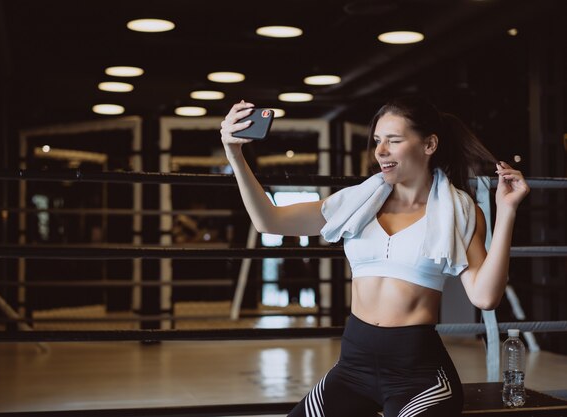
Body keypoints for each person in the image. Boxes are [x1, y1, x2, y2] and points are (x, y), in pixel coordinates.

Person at [220, 96, 529, 417]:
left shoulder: (459, 210)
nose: (380, 150)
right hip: (354, 368)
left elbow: (485, 296)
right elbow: (269, 221)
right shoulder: (356, 202)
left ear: (429, 144)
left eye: (394, 141)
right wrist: (235, 154)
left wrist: (506, 212)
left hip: (419, 375)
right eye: (378, 141)